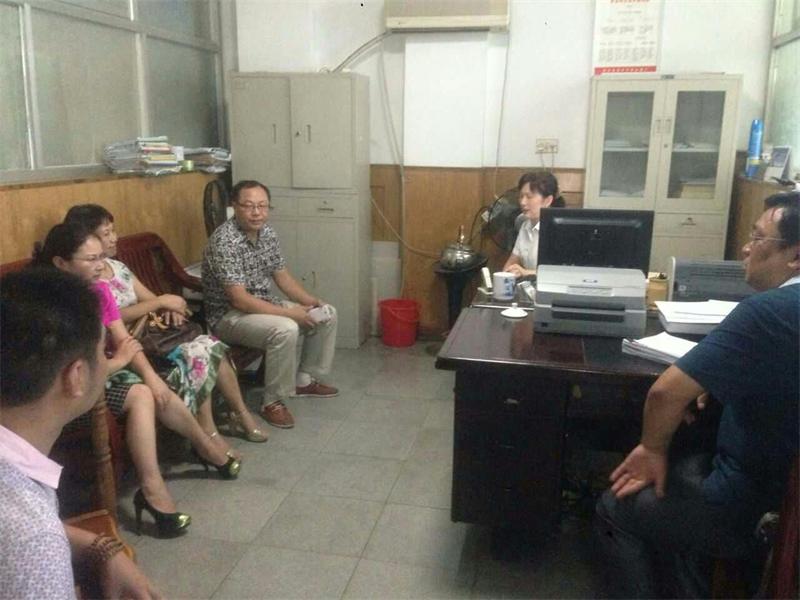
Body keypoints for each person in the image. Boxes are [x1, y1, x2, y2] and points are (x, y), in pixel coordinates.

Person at [595, 191, 800, 598]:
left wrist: (651, 449)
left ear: (795, 255)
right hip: (781, 492)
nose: (745, 248)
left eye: (758, 238)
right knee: (685, 462)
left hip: (753, 506)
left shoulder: (770, 311)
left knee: (614, 508)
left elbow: (664, 394)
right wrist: (715, 381)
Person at [33, 223, 241, 537]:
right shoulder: (47, 303)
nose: (101, 266)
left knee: (152, 389)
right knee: (140, 393)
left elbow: (123, 340)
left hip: (103, 372)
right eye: (90, 259)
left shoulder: (99, 291)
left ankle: (197, 453)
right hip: (67, 388)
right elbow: (64, 370)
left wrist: (150, 376)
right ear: (61, 263)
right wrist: (118, 362)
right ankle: (158, 485)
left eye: (101, 257)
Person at [1, 268, 160, 599]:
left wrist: (95, 544)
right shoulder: (34, 540)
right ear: (76, 376)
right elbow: (22, 534)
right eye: (103, 351)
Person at [64, 204, 267, 445]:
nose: (114, 238)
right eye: (106, 233)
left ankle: (240, 414)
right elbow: (114, 317)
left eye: (113, 231)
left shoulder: (117, 268)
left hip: (153, 335)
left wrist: (166, 308)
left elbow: (150, 298)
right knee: (198, 354)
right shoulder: (88, 281)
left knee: (211, 346)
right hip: (130, 344)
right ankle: (208, 432)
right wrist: (160, 302)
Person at [202, 180, 339, 429]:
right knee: (285, 328)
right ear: (234, 207)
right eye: (249, 206)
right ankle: (272, 401)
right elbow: (240, 300)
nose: (257, 213)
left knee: (327, 314)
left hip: (262, 305)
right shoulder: (224, 241)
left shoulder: (267, 233)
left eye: (263, 206)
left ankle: (303, 380)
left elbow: (282, 277)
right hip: (229, 317)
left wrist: (312, 302)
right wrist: (292, 314)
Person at [502, 171, 566, 278]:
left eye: (529, 197)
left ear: (547, 201)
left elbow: (560, 274)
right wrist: (504, 276)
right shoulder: (525, 226)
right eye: (521, 196)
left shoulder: (559, 231)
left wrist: (525, 272)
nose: (522, 202)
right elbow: (511, 263)